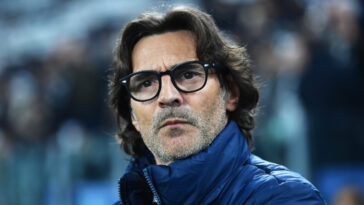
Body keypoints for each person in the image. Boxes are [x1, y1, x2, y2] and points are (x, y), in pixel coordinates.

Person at [109, 6, 326, 205]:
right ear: (133, 115)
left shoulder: (285, 197)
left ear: (230, 93)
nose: (167, 96)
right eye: (146, 83)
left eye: (188, 74)